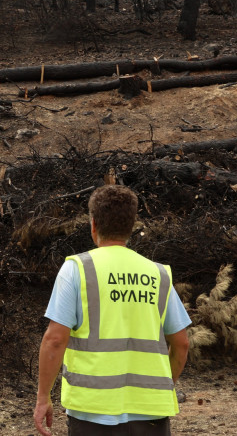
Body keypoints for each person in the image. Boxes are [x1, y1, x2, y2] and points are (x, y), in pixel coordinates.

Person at [34, 185, 191, 436]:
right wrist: (161, 387)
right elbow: (181, 343)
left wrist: (43, 398)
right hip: (151, 411)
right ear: (131, 227)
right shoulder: (158, 274)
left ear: (93, 225)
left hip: (92, 411)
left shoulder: (77, 269)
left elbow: (54, 339)